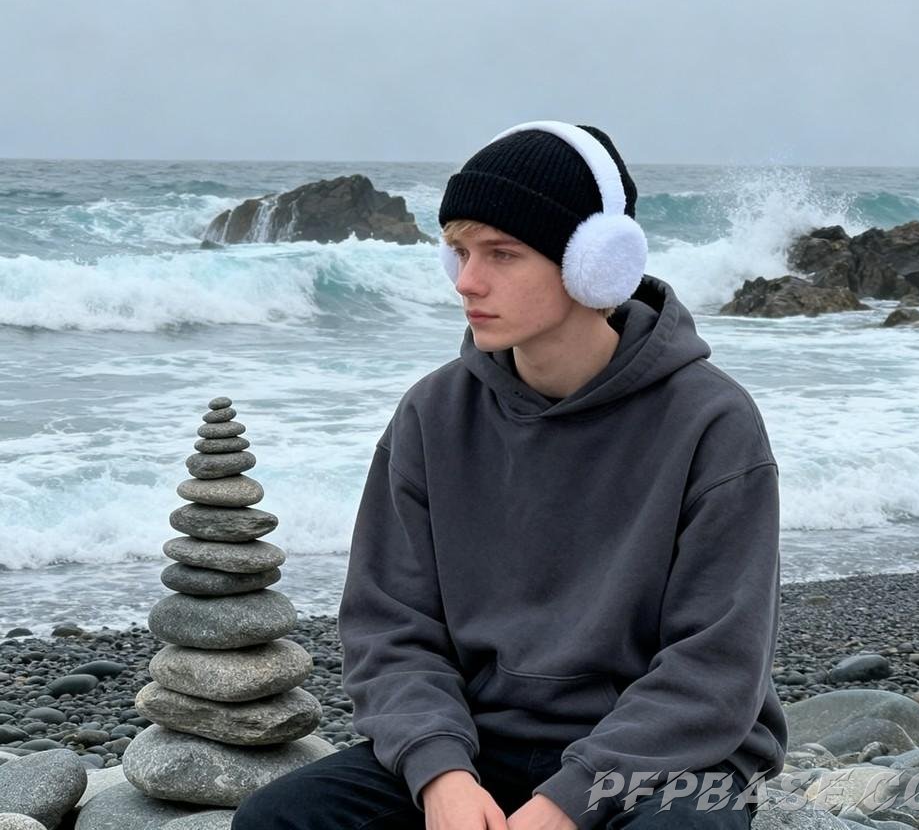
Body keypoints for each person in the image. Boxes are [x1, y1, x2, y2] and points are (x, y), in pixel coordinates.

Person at [233, 120, 787, 829]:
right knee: (279, 821)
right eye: (459, 251)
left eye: (502, 253)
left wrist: (567, 801)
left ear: (597, 265)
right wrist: (441, 776)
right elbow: (390, 629)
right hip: (477, 747)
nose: (467, 280)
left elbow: (715, 669)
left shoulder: (712, 422)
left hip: (668, 762)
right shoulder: (433, 415)